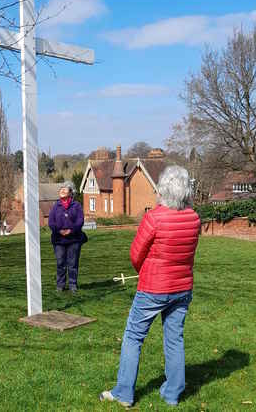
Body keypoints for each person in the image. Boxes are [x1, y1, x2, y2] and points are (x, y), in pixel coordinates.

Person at [101, 165, 200, 408]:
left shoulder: (154, 217)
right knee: (174, 338)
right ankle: (173, 394)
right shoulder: (194, 218)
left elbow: (136, 254)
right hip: (182, 287)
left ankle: (124, 392)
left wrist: (144, 272)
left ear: (163, 189)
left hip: (153, 288)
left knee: (133, 336)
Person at [48, 181, 86, 292]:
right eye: (61, 189)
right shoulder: (56, 206)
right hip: (58, 239)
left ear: (71, 192)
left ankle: (73, 285)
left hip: (74, 239)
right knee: (60, 263)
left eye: (65, 189)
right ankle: (60, 285)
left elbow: (80, 221)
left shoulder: (76, 206)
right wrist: (59, 230)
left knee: (73, 263)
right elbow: (51, 222)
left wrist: (71, 230)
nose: (62, 190)